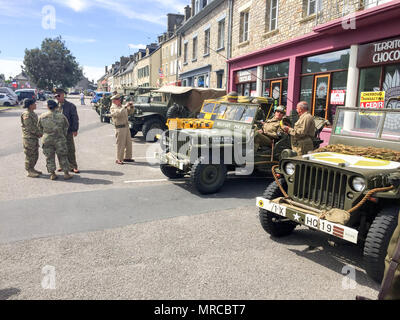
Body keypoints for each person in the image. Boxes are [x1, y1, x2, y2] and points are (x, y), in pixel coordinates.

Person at [38, 100, 72, 180]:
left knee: (49, 157)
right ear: (56, 107)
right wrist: (62, 134)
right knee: (63, 156)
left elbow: (39, 129)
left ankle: (52, 174)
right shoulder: (61, 116)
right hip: (59, 139)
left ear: (47, 107)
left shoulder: (42, 116)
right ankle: (66, 174)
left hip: (47, 140)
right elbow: (66, 127)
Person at [54, 88, 80, 173]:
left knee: (70, 149)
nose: (57, 97)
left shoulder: (70, 106)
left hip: (68, 131)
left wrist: (75, 129)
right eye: (55, 96)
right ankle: (62, 165)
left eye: (58, 95)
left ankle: (73, 166)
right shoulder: (54, 106)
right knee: (59, 149)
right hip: (58, 132)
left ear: (63, 95)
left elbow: (75, 118)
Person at [110, 93, 135, 164]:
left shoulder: (121, 106)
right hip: (120, 128)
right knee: (121, 144)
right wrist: (124, 107)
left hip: (126, 127)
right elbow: (117, 114)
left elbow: (130, 112)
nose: (120, 100)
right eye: (118, 99)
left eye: (119, 99)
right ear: (114, 101)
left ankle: (127, 157)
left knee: (128, 143)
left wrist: (131, 106)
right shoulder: (113, 107)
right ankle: (119, 159)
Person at [21, 98, 42, 178]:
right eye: (34, 103)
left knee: (35, 154)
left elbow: (36, 125)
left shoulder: (32, 113)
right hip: (29, 138)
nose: (35, 104)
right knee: (30, 155)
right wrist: (39, 133)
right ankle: (29, 171)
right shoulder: (26, 114)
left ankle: (32, 168)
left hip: (34, 138)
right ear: (30, 105)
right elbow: (30, 127)